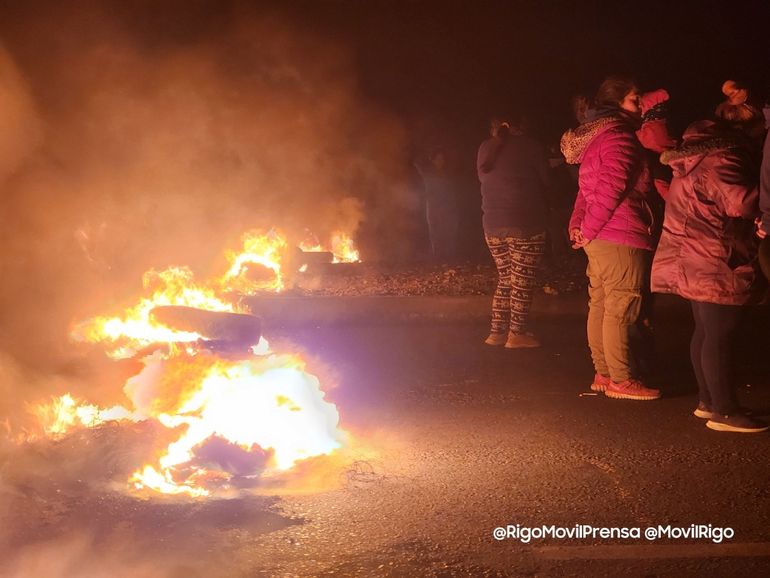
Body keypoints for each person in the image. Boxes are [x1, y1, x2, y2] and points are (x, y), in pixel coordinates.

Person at [651, 102, 767, 433]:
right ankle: (726, 412)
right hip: (714, 254)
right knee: (720, 333)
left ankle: (708, 401)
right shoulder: (723, 157)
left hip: (691, 253)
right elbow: (740, 202)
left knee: (705, 330)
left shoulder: (694, 156)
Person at [561, 76, 660, 400]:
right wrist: (587, 228)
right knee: (620, 306)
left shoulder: (599, 138)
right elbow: (609, 191)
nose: (640, 105)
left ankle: (604, 373)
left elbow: (585, 191)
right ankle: (621, 378)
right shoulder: (620, 139)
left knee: (602, 305)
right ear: (616, 103)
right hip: (620, 234)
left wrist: (580, 226)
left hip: (600, 236)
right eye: (634, 99)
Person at [477, 114, 550, 348]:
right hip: (525, 223)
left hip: (492, 225)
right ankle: (517, 333)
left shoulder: (485, 148)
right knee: (521, 281)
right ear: (522, 125)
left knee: (506, 278)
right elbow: (546, 181)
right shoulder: (531, 146)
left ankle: (497, 332)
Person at [414, 148, 459, 262]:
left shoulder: (447, 174)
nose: (441, 161)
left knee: (448, 232)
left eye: (442, 159)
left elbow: (451, 191)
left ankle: (449, 257)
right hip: (433, 206)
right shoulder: (427, 173)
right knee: (435, 233)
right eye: (438, 159)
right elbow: (417, 162)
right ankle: (438, 257)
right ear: (433, 160)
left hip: (447, 206)